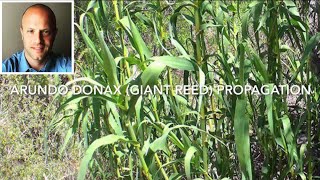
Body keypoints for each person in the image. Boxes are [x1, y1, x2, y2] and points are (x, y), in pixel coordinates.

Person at [2, 4, 71, 72]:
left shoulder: (70, 67)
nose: (38, 40)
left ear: (54, 34)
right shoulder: (5, 69)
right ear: (22, 33)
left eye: (45, 31)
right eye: (31, 31)